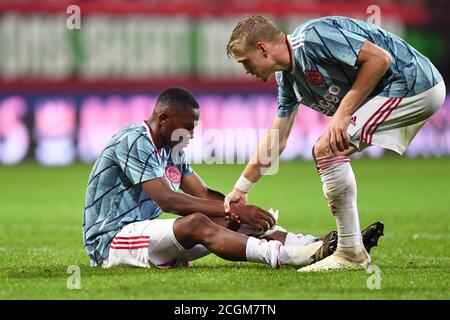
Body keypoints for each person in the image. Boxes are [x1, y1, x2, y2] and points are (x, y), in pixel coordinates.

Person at [225, 15, 445, 271]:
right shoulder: (287, 79)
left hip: (412, 84)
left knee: (326, 148)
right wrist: (240, 189)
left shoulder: (311, 38)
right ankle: (351, 251)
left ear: (262, 48)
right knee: (328, 150)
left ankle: (350, 253)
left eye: (245, 61)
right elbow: (278, 138)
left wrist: (343, 114)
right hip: (406, 89)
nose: (245, 69)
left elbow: (379, 60)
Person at [82, 86, 383, 269]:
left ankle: (321, 245)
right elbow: (168, 199)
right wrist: (232, 208)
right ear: (163, 119)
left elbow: (203, 195)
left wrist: (238, 213)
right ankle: (287, 257)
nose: (191, 134)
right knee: (200, 222)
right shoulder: (134, 140)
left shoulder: (171, 148)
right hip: (111, 241)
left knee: (232, 221)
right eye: (187, 126)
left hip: (145, 239)